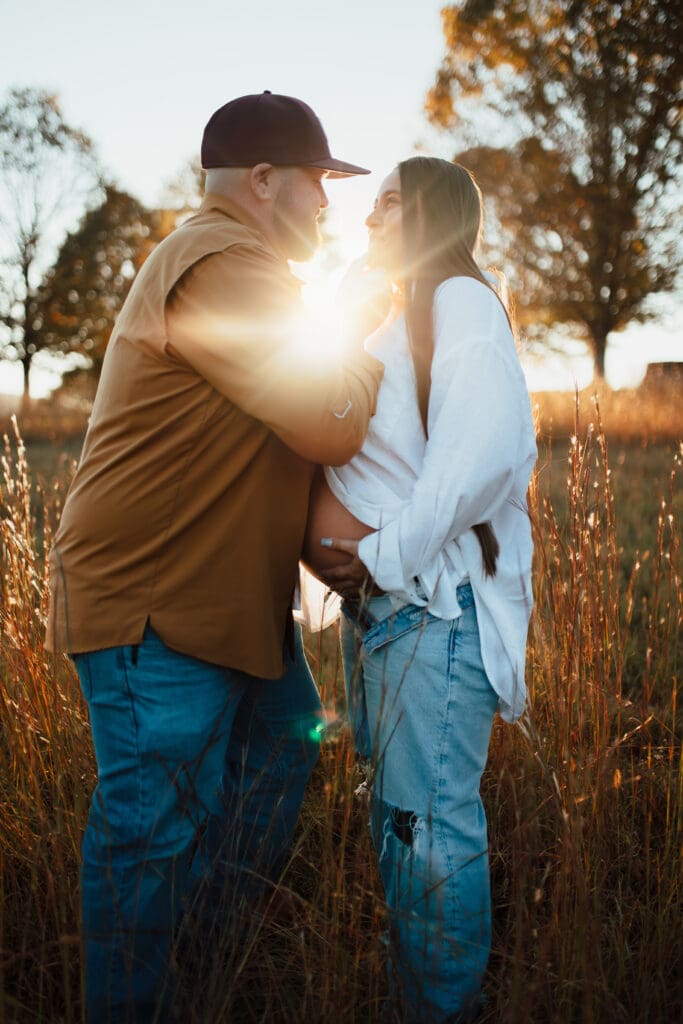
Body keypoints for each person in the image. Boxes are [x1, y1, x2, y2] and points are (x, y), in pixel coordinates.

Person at [45, 91, 384, 1023]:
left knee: (283, 740)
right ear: (263, 180)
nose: (329, 204)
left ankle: (200, 970)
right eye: (318, 182)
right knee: (147, 835)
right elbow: (326, 416)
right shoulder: (223, 260)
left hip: (216, 608)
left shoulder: (240, 263)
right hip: (156, 608)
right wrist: (357, 340)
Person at [303, 157, 537, 1022]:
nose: (369, 220)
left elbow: (475, 461)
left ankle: (443, 1010)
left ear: (434, 213)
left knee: (427, 833)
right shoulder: (394, 313)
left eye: (390, 203)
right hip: (389, 619)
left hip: (429, 613)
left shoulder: (460, 302)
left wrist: (377, 557)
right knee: (404, 830)